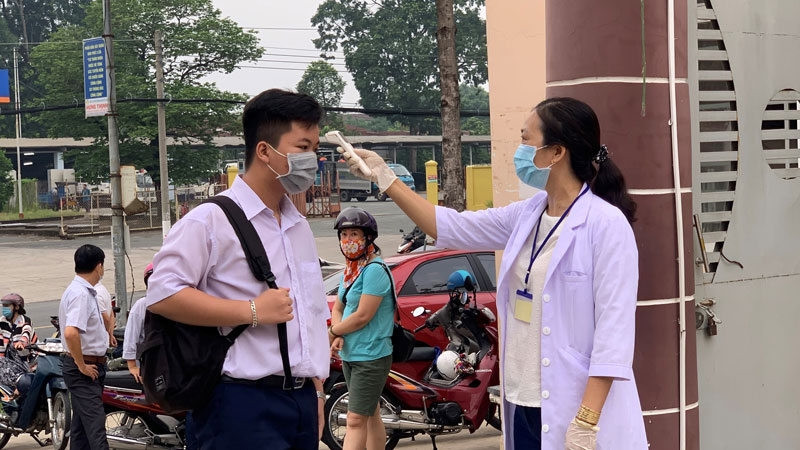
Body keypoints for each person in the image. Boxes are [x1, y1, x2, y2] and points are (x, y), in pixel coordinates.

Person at [341, 97, 648, 449]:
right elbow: (449, 226)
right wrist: (385, 177)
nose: (520, 149)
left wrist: (586, 421)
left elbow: (613, 333)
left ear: (556, 152)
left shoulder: (606, 225)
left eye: (526, 139)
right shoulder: (528, 215)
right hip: (522, 398)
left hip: (574, 406)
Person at [146, 88, 330, 450]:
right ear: (264, 151)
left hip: (301, 402)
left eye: (315, 148)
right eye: (303, 147)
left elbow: (309, 316)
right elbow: (163, 294)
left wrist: (317, 392)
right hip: (239, 404)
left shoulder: (298, 225)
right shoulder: (209, 220)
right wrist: (252, 311)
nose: (313, 159)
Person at [328, 207, 394, 450]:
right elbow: (338, 308)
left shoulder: (375, 271)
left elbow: (362, 316)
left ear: (368, 238)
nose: (348, 240)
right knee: (370, 412)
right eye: (344, 235)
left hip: (371, 355)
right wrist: (339, 331)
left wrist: (333, 333)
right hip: (352, 354)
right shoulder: (351, 271)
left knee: (355, 420)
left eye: (354, 234)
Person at [59, 243, 110, 450]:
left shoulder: (82, 291)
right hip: (84, 369)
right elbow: (71, 333)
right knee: (96, 428)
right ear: (99, 266)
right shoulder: (80, 294)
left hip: (90, 367)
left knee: (81, 430)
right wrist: (81, 365)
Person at [122, 264, 154, 383]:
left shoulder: (172, 303)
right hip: (148, 361)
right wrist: (132, 366)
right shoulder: (142, 305)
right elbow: (131, 336)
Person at [0, 293, 34, 358]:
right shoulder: (2, 321)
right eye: (3, 305)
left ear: (17, 307)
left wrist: (22, 342)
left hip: (26, 358)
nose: (4, 308)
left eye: (7, 305)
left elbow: (27, 331)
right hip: (8, 359)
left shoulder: (25, 320)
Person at [94, 283, 117, 348]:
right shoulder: (103, 289)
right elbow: (111, 314)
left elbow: (105, 319)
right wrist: (110, 334)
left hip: (97, 342)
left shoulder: (95, 294)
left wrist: (108, 335)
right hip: (102, 341)